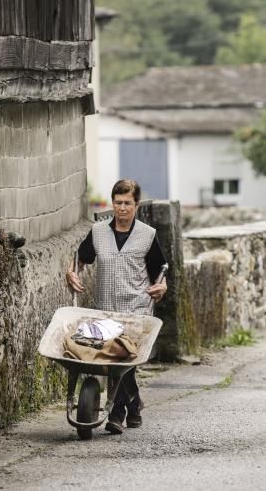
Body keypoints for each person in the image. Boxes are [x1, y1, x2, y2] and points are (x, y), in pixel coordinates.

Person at [66, 178, 167, 434]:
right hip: (106, 308)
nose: (122, 208)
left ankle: (117, 414)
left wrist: (161, 287)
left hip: (137, 310)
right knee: (116, 360)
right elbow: (81, 259)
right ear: (113, 203)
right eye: (118, 202)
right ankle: (134, 405)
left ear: (137, 204)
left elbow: (160, 274)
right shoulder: (98, 231)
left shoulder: (147, 235)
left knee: (123, 358)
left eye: (128, 203)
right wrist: (72, 272)